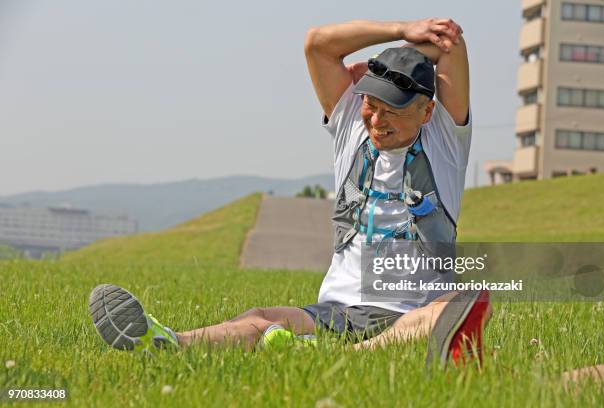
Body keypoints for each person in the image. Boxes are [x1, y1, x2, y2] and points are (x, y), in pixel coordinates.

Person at [89, 18, 492, 368]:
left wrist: (400, 57)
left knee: (460, 303)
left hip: (411, 310)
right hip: (338, 310)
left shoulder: (445, 141)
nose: (378, 119)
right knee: (262, 318)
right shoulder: (351, 121)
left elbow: (450, 44)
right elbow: (318, 44)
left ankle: (345, 358)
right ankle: (167, 343)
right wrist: (401, 33)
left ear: (426, 111)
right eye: (372, 101)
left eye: (395, 108)